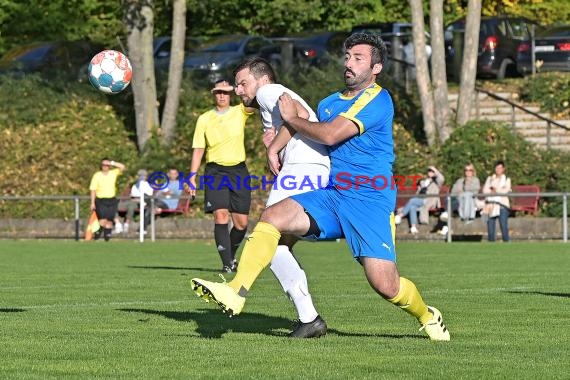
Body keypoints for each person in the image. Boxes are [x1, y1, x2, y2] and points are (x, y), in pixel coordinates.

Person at [191, 33, 450, 341]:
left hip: (369, 199)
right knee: (273, 218)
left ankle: (426, 314)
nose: (349, 63)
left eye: (359, 58)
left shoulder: (378, 99)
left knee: (386, 285)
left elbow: (327, 135)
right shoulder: (329, 103)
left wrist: (287, 125)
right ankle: (236, 291)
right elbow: (305, 131)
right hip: (331, 194)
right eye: (348, 56)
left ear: (376, 68)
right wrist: (276, 146)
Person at [233, 56, 331, 337]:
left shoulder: (268, 91)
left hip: (304, 167)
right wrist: (274, 144)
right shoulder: (267, 102)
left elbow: (296, 113)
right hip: (310, 168)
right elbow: (290, 123)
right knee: (276, 246)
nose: (238, 90)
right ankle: (309, 319)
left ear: (262, 79)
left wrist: (273, 149)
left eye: (243, 83)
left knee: (268, 231)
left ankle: (236, 289)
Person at [188, 79, 254, 273]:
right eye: (218, 92)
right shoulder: (204, 119)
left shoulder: (240, 111)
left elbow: (255, 100)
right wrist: (192, 176)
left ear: (231, 94)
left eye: (226, 92)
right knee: (221, 215)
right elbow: (199, 148)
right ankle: (227, 264)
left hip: (238, 171)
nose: (222, 95)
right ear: (213, 94)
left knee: (241, 224)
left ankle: (230, 256)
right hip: (214, 171)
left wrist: (244, 85)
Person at [394, 166, 445, 234]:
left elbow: (441, 179)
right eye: (429, 171)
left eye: (432, 171)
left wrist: (435, 170)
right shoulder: (423, 182)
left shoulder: (436, 182)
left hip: (429, 201)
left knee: (412, 200)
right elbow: (418, 193)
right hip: (420, 200)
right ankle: (413, 227)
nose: (430, 172)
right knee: (412, 207)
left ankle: (400, 215)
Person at [120, 169, 168, 234]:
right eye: (140, 176)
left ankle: (143, 229)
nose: (142, 177)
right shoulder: (135, 186)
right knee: (149, 208)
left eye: (143, 176)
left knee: (150, 206)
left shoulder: (148, 185)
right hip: (142, 203)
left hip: (150, 203)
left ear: (146, 176)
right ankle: (142, 229)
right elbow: (133, 198)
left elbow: (151, 196)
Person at [89, 158, 125, 241]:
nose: (105, 167)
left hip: (111, 200)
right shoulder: (97, 175)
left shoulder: (113, 173)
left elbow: (122, 167)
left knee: (109, 221)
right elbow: (93, 189)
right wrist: (92, 202)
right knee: (102, 220)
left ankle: (107, 239)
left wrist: (112, 162)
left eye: (107, 165)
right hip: (101, 200)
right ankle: (97, 234)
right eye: (103, 165)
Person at [482, 160, 511, 242]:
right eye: (497, 168)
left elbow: (505, 190)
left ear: (503, 169)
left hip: (502, 205)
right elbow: (485, 190)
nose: (498, 170)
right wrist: (495, 190)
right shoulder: (490, 178)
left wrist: (495, 189)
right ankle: (491, 245)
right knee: (490, 228)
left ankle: (507, 243)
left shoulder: (506, 179)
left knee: (503, 226)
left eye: (500, 168)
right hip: (490, 205)